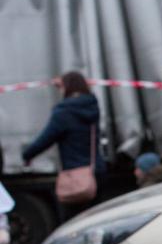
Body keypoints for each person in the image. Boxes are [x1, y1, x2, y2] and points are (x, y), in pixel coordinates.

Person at [22, 71, 105, 222]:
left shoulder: (64, 112)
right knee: (95, 218)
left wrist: (27, 154)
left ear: (66, 87)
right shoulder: (92, 106)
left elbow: (46, 138)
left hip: (75, 176)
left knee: (73, 221)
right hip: (95, 171)